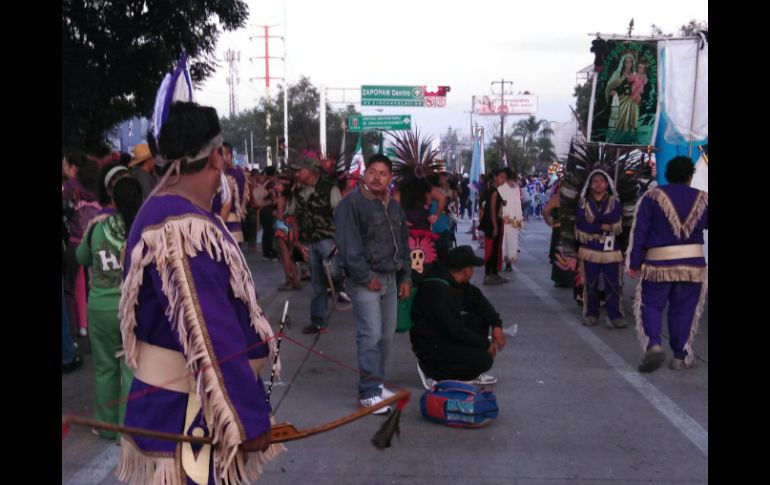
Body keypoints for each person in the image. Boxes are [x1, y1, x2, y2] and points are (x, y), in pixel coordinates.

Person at [117, 102, 281, 484]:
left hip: (180, 408)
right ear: (218, 158)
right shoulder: (180, 226)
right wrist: (247, 417)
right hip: (187, 416)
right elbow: (210, 335)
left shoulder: (164, 209)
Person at [334, 154, 411, 415]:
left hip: (391, 278)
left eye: (383, 173)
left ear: (390, 179)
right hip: (365, 280)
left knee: (386, 336)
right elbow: (348, 247)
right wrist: (367, 277)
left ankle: (377, 383)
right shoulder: (351, 204)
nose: (377, 177)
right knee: (370, 335)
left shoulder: (394, 207)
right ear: (365, 174)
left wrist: (406, 277)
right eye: (372, 172)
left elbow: (403, 243)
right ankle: (368, 393)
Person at [627, 156, 708, 372]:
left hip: (658, 264)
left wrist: (634, 262)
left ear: (666, 174)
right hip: (692, 266)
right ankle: (680, 357)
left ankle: (654, 344)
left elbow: (639, 233)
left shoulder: (652, 197)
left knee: (651, 305)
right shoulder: (703, 198)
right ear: (691, 176)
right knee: (684, 310)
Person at [76, 174, 141, 440]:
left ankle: (105, 424)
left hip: (100, 307)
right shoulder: (141, 228)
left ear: (112, 199)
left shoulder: (96, 227)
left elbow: (81, 257)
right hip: (129, 307)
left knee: (104, 367)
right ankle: (126, 429)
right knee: (129, 365)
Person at [410, 246, 505, 389]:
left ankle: (464, 370)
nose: (473, 271)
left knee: (479, 319)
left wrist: (496, 325)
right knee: (484, 360)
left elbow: (479, 301)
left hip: (444, 333)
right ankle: (433, 371)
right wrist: (485, 345)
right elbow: (455, 330)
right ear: (466, 270)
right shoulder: (438, 290)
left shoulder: (456, 282)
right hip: (430, 343)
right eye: (473, 267)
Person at [290, 153, 342, 334]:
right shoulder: (298, 192)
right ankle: (318, 321)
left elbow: (340, 215)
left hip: (329, 240)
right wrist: (297, 242)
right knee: (317, 283)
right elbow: (293, 218)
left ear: (310, 170)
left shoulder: (330, 189)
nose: (296, 174)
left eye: (299, 170)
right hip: (309, 243)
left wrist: (340, 240)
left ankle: (345, 285)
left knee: (335, 273)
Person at [575, 170, 626, 328]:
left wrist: (593, 223)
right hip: (590, 248)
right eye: (595, 181)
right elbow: (581, 223)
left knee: (613, 283)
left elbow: (615, 219)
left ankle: (615, 315)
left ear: (607, 184)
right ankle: (591, 314)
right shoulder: (583, 203)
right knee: (591, 283)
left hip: (610, 250)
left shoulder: (614, 202)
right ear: (590, 184)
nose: (598, 183)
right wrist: (601, 225)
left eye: (601, 181)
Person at [478, 169, 507, 285]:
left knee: (495, 249)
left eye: (504, 177)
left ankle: (494, 274)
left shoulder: (495, 190)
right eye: (501, 177)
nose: (503, 179)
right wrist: (495, 226)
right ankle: (488, 275)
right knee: (491, 250)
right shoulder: (493, 191)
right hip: (492, 223)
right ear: (495, 177)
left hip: (495, 222)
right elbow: (492, 211)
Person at [498, 167, 523, 272]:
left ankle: (507, 262)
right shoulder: (502, 187)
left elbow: (518, 203)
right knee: (508, 241)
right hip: (510, 218)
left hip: (509, 218)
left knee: (508, 241)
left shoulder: (502, 188)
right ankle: (507, 263)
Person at [606, 52, 638, 136]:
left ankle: (628, 135)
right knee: (617, 120)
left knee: (629, 121)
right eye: (626, 62)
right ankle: (615, 136)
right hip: (620, 100)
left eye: (630, 61)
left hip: (631, 101)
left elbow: (638, 88)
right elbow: (610, 86)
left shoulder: (634, 75)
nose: (628, 64)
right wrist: (612, 91)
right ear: (623, 63)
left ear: (633, 63)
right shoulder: (618, 74)